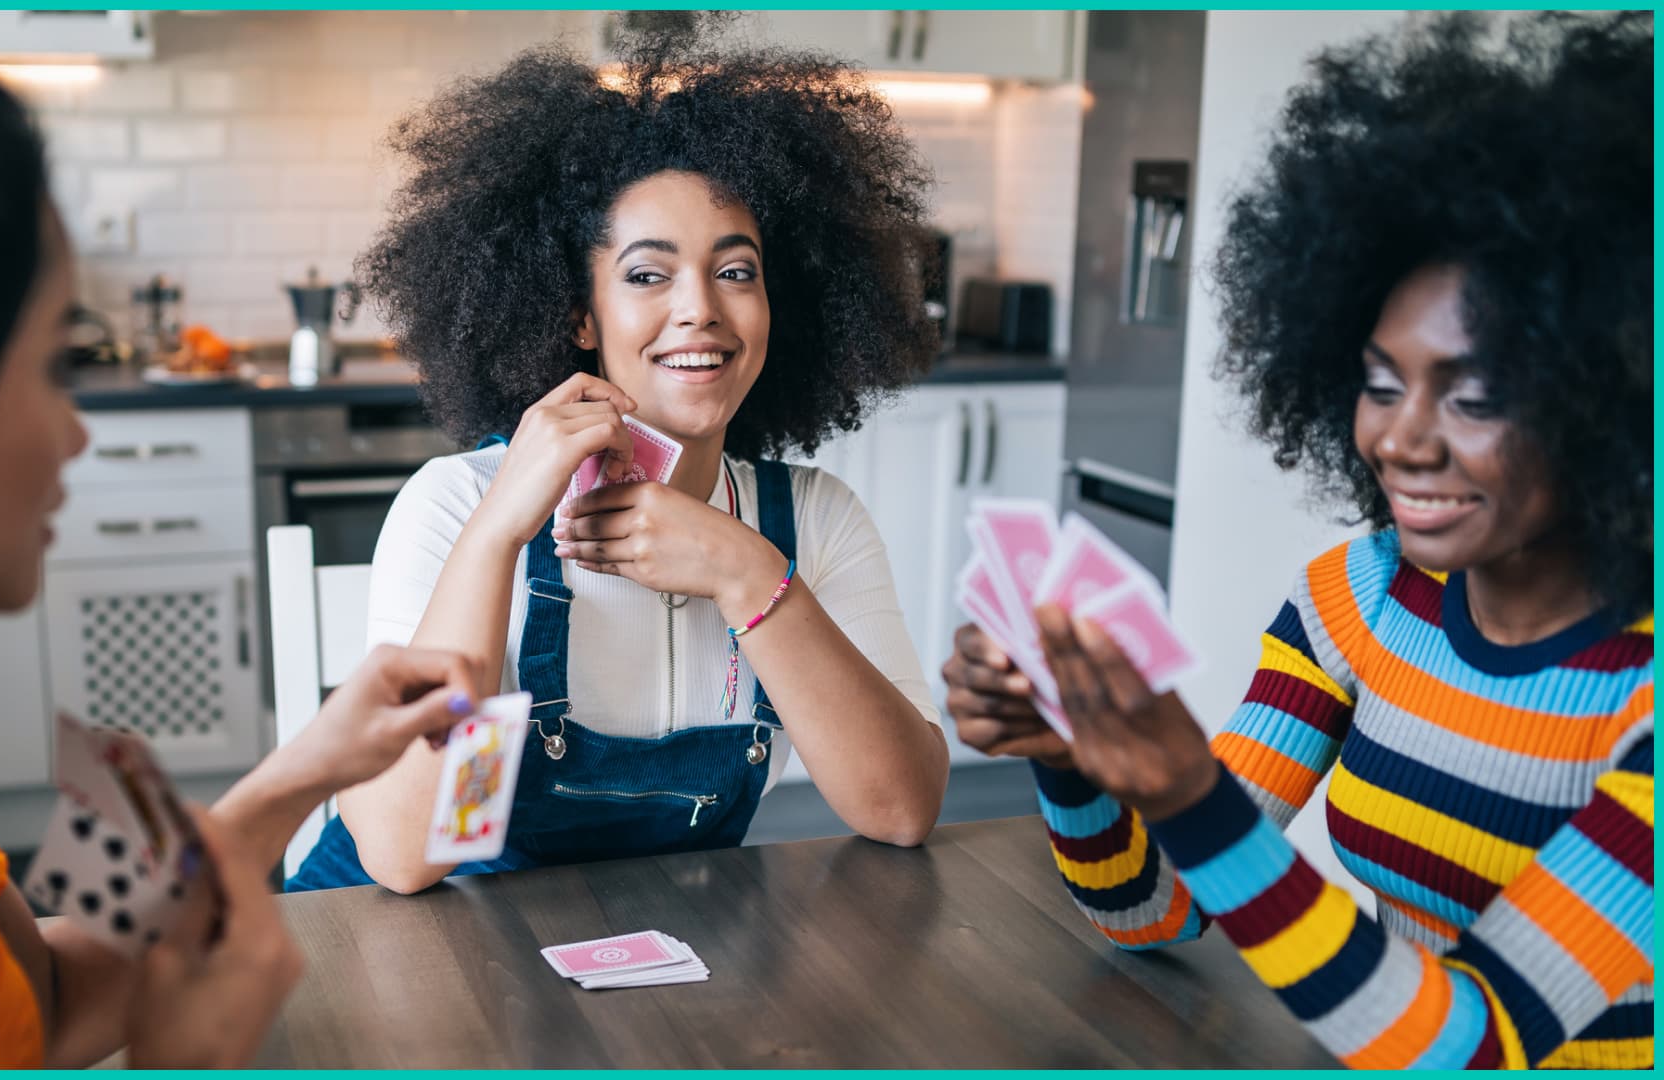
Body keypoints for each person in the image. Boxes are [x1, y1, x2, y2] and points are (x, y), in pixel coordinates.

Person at [0, 15, 479, 1067]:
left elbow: (36, 998)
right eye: (50, 362)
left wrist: (302, 772)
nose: (78, 428)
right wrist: (186, 1057)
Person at [941, 11, 1651, 1070]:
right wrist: (1071, 760)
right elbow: (1156, 911)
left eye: (1479, 395)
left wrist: (1189, 792)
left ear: (1617, 399)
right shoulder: (1361, 597)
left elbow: (1476, 1045)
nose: (1401, 440)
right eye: (1378, 383)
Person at [286, 21, 951, 894]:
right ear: (580, 318)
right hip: (401, 956)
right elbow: (414, 855)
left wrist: (748, 575)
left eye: (736, 271)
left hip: (647, 971)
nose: (699, 310)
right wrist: (494, 543)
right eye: (647, 275)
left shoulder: (814, 523)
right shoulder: (457, 505)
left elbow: (901, 811)